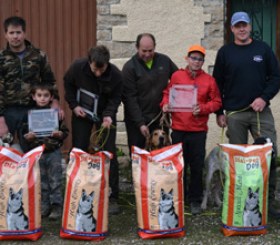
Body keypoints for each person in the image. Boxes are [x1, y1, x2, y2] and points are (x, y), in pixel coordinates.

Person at [213, 11, 280, 218]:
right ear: (232, 29)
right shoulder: (225, 52)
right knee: (236, 160)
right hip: (235, 114)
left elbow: (275, 77)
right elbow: (217, 84)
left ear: (250, 26)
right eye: (237, 26)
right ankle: (239, 200)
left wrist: (264, 98)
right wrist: (219, 111)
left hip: (261, 112)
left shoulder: (263, 49)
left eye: (245, 25)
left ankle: (268, 204)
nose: (242, 29)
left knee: (270, 154)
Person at [161, 45, 222, 215]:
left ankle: (195, 200)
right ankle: (179, 198)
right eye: (193, 58)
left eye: (200, 59)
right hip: (178, 129)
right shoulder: (177, 76)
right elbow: (167, 93)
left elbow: (217, 102)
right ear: (187, 58)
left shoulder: (209, 80)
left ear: (203, 61)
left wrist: (202, 108)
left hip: (198, 131)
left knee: (196, 167)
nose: (197, 62)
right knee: (179, 166)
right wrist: (165, 104)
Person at [64, 45, 123, 215]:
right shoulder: (77, 67)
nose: (98, 73)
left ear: (107, 64)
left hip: (105, 116)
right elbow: (67, 83)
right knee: (79, 150)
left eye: (102, 69)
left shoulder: (116, 76)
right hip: (82, 113)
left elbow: (116, 98)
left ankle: (112, 196)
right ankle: (77, 189)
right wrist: (74, 106)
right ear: (89, 62)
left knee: (109, 152)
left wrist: (109, 115)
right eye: (95, 69)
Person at [0, 16, 62, 148]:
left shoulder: (38, 55)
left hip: (33, 110)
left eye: (18, 32)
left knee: (32, 150)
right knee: (5, 151)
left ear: (24, 33)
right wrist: (0, 119)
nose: (15, 36)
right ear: (5, 34)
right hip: (8, 111)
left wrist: (55, 101)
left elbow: (49, 80)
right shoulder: (1, 58)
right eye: (11, 33)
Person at [122, 33, 178, 152]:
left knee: (161, 154)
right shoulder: (129, 67)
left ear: (155, 47)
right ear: (137, 48)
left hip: (159, 117)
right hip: (137, 120)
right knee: (139, 156)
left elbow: (178, 80)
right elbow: (129, 98)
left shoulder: (165, 61)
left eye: (150, 50)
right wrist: (140, 123)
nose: (147, 54)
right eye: (144, 51)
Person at [21, 83, 69, 220]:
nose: (42, 98)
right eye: (39, 95)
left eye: (46, 95)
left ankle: (57, 206)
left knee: (55, 180)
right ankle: (44, 206)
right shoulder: (29, 115)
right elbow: (24, 133)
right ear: (33, 97)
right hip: (37, 153)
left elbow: (65, 132)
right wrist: (27, 137)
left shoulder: (55, 114)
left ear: (51, 97)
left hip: (53, 152)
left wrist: (59, 134)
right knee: (41, 181)